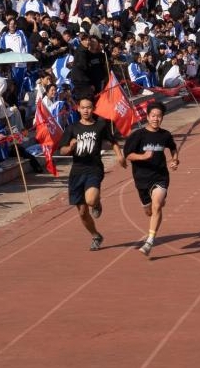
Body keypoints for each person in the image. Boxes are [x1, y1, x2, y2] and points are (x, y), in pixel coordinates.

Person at [57, 96, 124, 250]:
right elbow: (62, 150)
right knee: (82, 212)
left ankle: (96, 202)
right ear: (78, 109)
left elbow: (113, 141)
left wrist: (119, 155)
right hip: (77, 172)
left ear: (93, 109)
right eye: (83, 107)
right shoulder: (72, 128)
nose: (86, 110)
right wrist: (71, 147)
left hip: (94, 168)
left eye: (89, 107)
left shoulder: (100, 126)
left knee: (91, 200)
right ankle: (96, 235)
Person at [120, 101, 179, 255]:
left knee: (157, 205)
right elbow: (128, 155)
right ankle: (152, 204)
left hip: (160, 176)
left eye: (159, 116)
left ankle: (150, 241)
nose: (156, 119)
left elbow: (173, 148)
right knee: (149, 211)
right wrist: (143, 156)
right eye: (153, 116)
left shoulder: (165, 135)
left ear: (162, 118)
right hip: (141, 179)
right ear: (147, 116)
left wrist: (174, 160)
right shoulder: (138, 135)